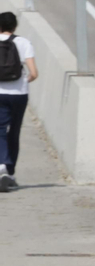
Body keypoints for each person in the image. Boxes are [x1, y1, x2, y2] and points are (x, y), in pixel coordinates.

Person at [0, 12, 38, 192]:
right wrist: (22, 81)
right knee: (14, 131)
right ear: (15, 26)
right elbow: (34, 73)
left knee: (0, 130)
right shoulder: (23, 43)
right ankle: (11, 172)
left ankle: (1, 166)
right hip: (19, 94)